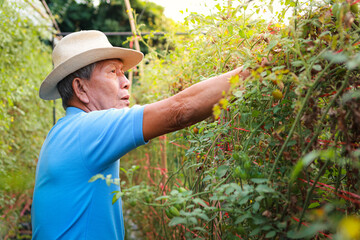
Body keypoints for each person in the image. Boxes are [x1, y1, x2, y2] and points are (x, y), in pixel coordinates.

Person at [31, 30, 248, 239]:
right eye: (112, 72)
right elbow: (180, 110)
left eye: (122, 71)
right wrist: (256, 69)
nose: (125, 81)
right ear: (80, 89)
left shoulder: (62, 131)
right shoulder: (86, 130)